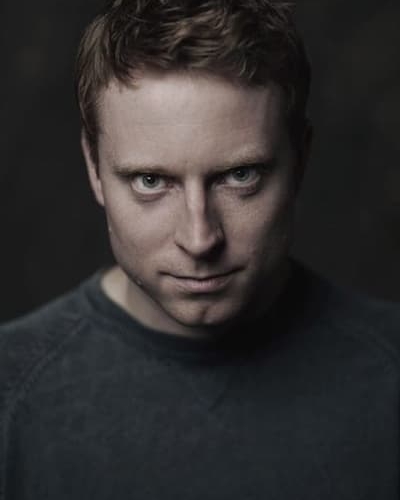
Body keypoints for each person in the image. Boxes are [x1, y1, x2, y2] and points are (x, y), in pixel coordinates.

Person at [1, 0, 399, 498]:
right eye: (150, 181)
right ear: (93, 168)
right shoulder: (10, 396)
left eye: (240, 176)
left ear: (300, 159)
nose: (199, 238)